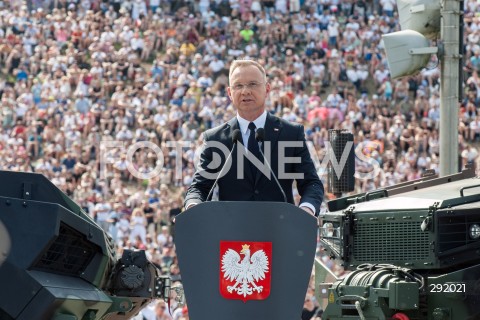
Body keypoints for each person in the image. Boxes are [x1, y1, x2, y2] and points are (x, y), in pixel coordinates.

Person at [184, 59, 324, 216]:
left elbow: (311, 183)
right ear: (230, 93)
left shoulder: (291, 133)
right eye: (238, 86)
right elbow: (199, 187)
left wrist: (306, 209)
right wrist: (192, 206)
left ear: (267, 89)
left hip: (280, 231)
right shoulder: (215, 139)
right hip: (231, 233)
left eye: (252, 84)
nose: (245, 91)